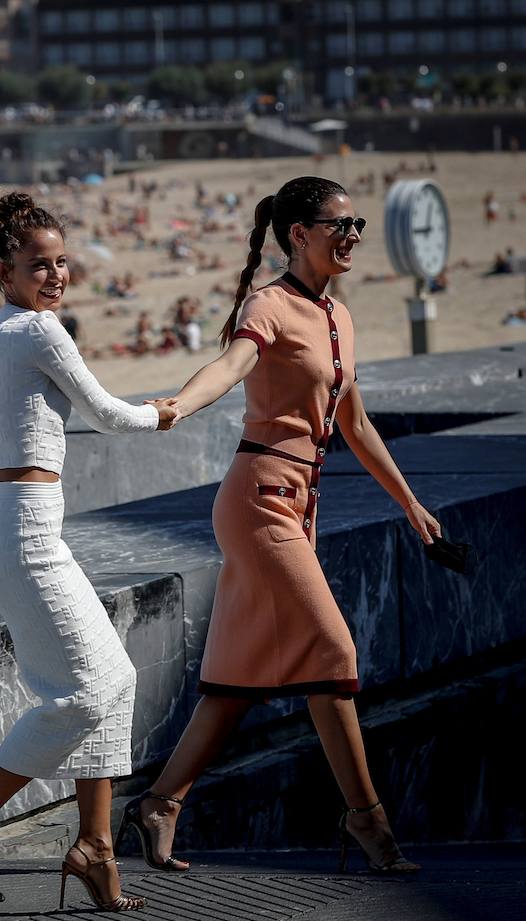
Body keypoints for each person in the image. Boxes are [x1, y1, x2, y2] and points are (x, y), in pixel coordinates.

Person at [126, 177, 433, 879]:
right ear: (298, 233)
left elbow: (354, 424)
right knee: (333, 649)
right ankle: (368, 820)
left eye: (357, 223)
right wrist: (180, 404)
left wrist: (410, 502)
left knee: (236, 681)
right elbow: (231, 365)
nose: (352, 235)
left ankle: (160, 803)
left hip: (301, 503)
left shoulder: (339, 316)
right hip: (259, 499)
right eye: (339, 224)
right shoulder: (269, 303)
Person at [0, 192, 175, 912]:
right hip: (23, 532)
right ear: (6, 270)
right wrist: (166, 412)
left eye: (63, 261)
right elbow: (105, 412)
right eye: (40, 264)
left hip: (19, 527)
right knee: (83, 692)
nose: (57, 274)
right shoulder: (38, 329)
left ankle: (95, 847)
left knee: (116, 679)